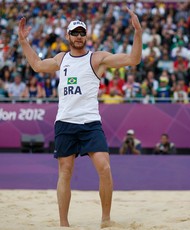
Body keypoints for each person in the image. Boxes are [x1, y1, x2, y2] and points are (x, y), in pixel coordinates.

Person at [18, 8, 142, 228]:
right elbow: (37, 65)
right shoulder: (61, 58)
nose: (78, 36)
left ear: (86, 35)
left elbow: (133, 59)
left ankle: (105, 219)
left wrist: (138, 33)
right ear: (67, 36)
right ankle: (64, 223)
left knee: (104, 168)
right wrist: (24, 41)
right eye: (74, 33)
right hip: (65, 122)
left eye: (81, 33)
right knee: (65, 172)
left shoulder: (97, 59)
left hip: (90, 122)